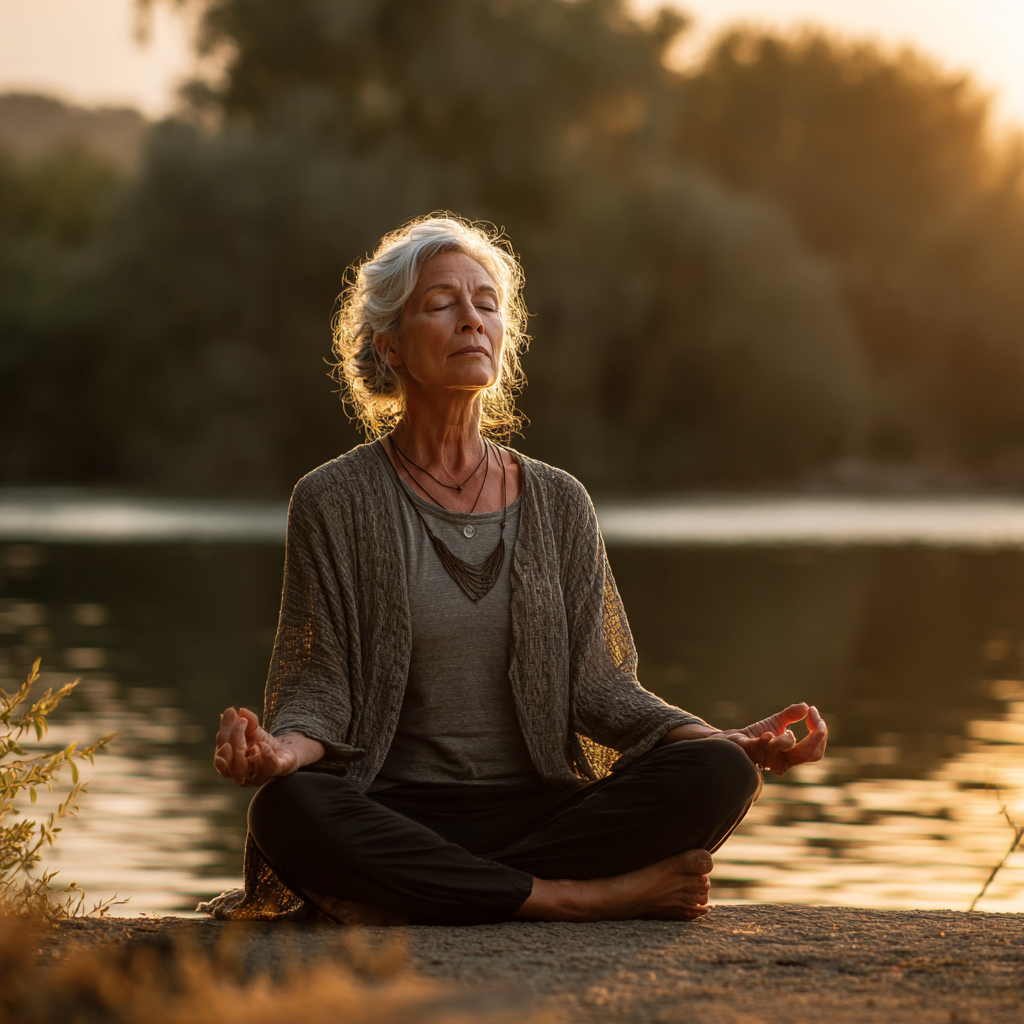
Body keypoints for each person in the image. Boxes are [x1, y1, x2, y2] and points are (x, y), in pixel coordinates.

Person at [206, 214, 827, 925]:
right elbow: (321, 684)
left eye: (487, 303)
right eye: (441, 304)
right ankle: (576, 898)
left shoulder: (560, 501)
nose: (471, 319)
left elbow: (601, 686)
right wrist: (280, 753)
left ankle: (420, 892)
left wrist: (725, 741)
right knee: (288, 809)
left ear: (505, 336)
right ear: (391, 346)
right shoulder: (333, 498)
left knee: (717, 775)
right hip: (396, 807)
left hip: (539, 810)